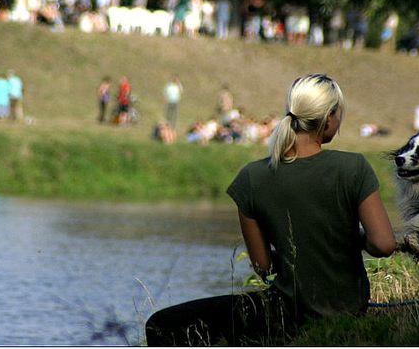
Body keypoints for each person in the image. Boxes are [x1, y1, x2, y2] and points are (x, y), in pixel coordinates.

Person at [146, 73, 396, 346]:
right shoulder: (354, 167)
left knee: (161, 324)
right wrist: (352, 239)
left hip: (283, 316)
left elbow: (262, 265)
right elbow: (383, 244)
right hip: (349, 313)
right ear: (330, 116)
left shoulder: (252, 178)